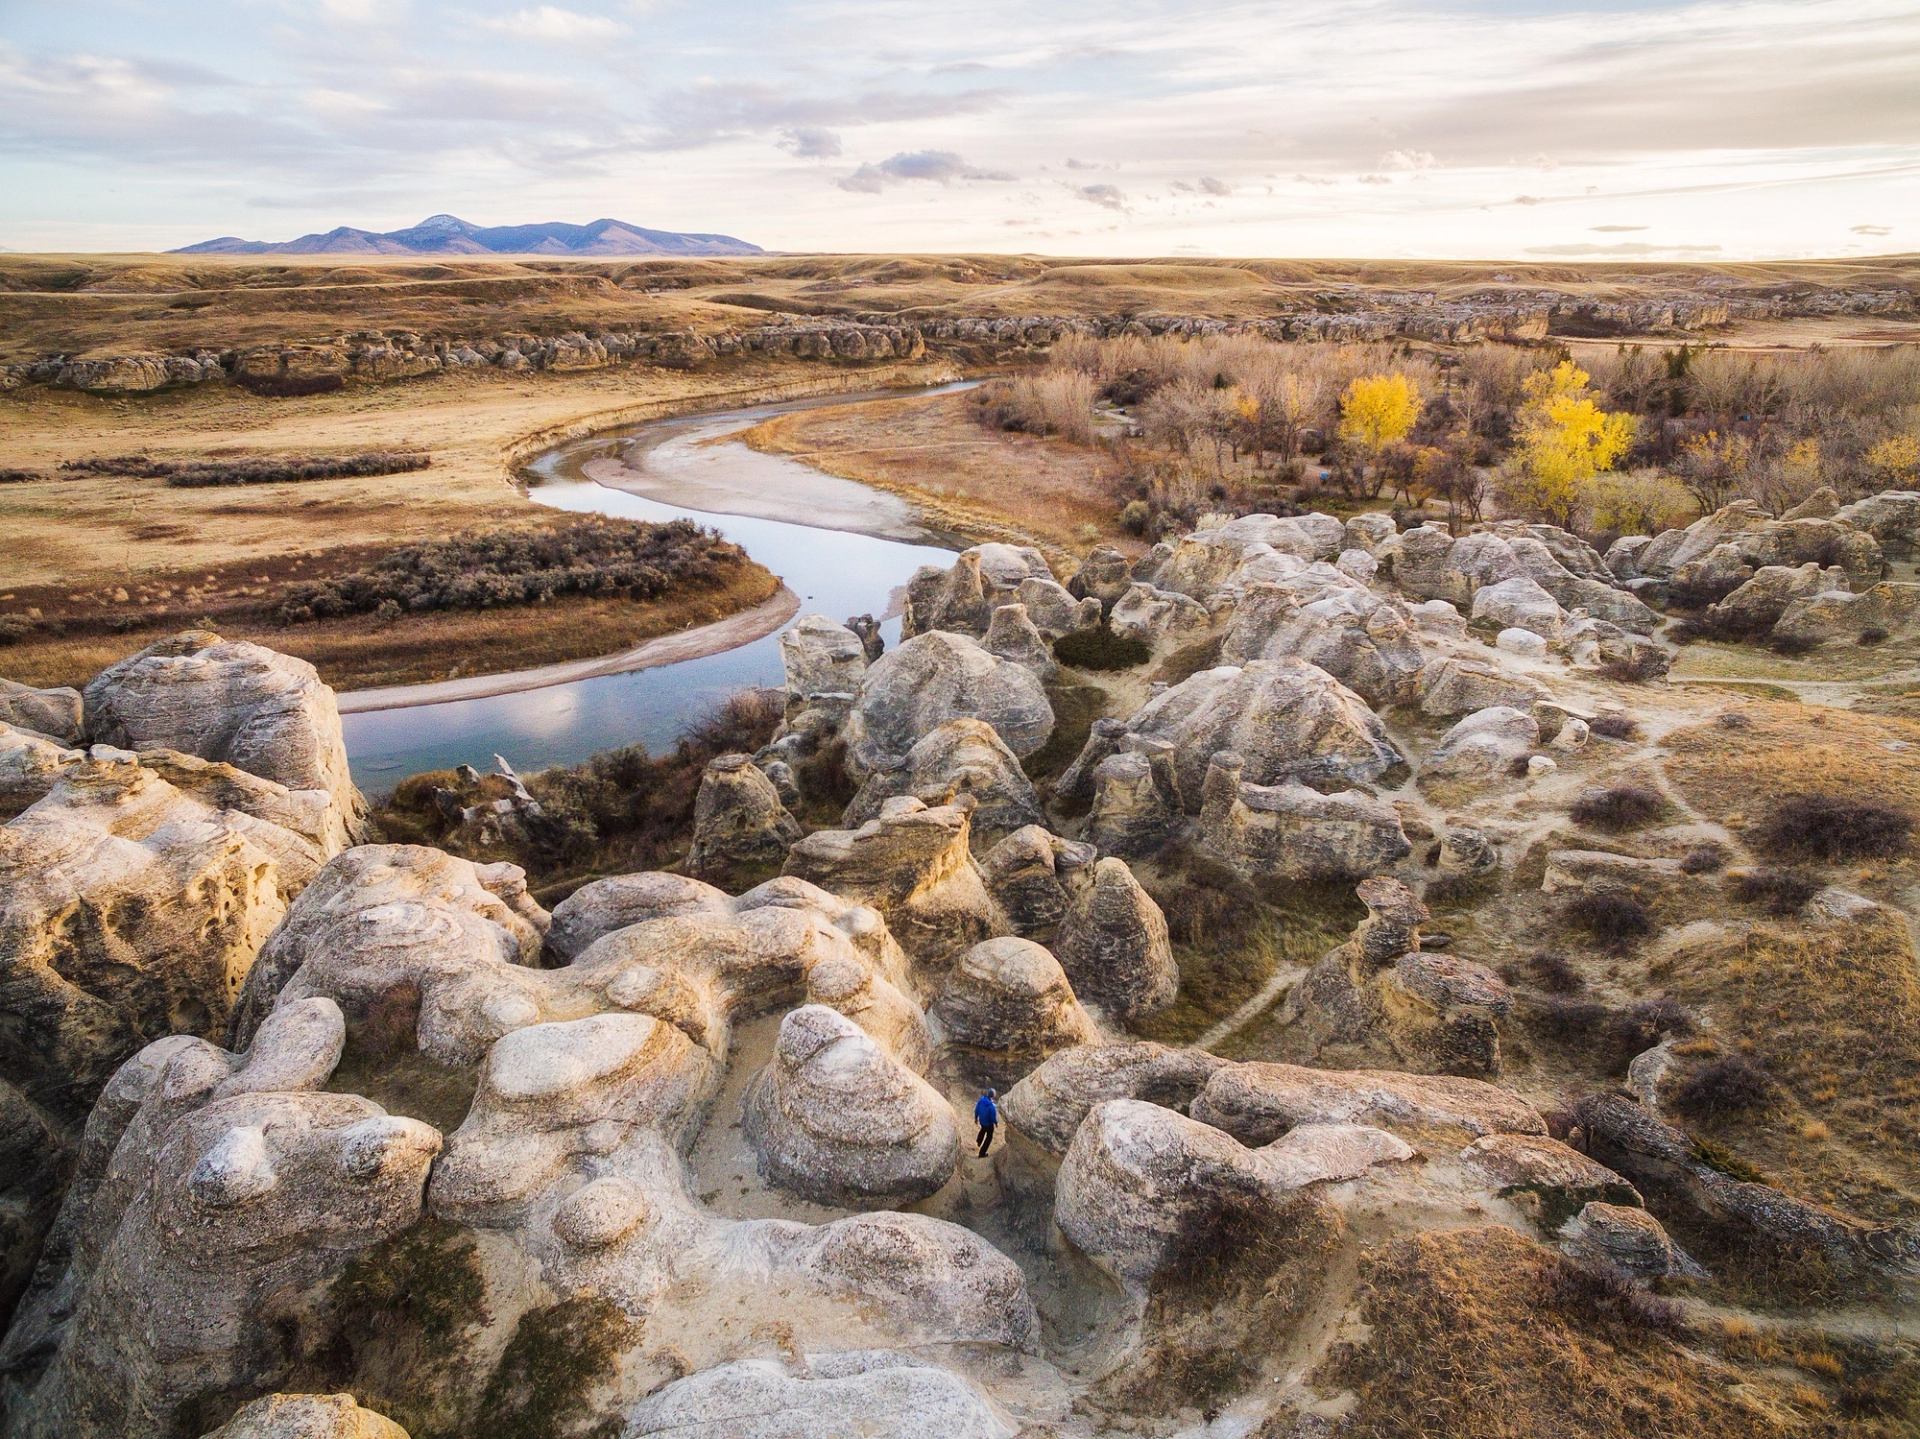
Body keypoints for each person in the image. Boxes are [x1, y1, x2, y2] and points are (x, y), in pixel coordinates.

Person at [973, 1088, 999, 1158]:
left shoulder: (981, 1100)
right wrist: (996, 1123)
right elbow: (993, 1117)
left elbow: (976, 1109)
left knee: (983, 1129)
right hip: (989, 1124)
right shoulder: (991, 1106)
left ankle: (978, 1142)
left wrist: (976, 1118)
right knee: (989, 1138)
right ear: (993, 1096)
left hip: (982, 1121)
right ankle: (982, 1153)